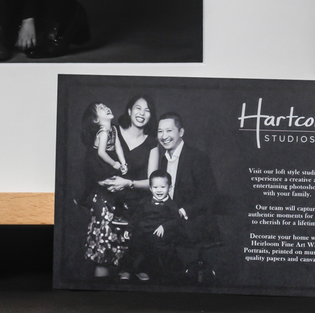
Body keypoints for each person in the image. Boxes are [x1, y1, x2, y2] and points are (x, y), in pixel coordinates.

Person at [81, 95, 159, 278]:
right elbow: (93, 160)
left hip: (134, 200)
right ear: (129, 111)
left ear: (151, 116)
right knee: (103, 214)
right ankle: (101, 274)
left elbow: (153, 183)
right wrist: (103, 182)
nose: (142, 113)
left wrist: (128, 183)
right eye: (138, 108)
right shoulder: (112, 131)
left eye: (147, 110)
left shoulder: (152, 144)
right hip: (106, 197)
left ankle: (130, 268)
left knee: (139, 228)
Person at [155, 111, 218, 244]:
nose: (164, 136)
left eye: (169, 131)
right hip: (170, 225)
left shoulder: (198, 157)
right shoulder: (163, 160)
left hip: (193, 226)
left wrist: (183, 211)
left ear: (181, 132)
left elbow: (209, 195)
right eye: (160, 131)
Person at [120, 169, 183, 282]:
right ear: (150, 188)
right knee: (134, 248)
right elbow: (136, 217)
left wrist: (164, 226)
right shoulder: (144, 202)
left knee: (159, 250)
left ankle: (146, 270)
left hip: (158, 233)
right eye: (155, 187)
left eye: (163, 187)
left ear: (170, 188)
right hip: (142, 231)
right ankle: (127, 270)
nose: (159, 190)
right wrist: (128, 229)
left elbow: (176, 220)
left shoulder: (171, 204)